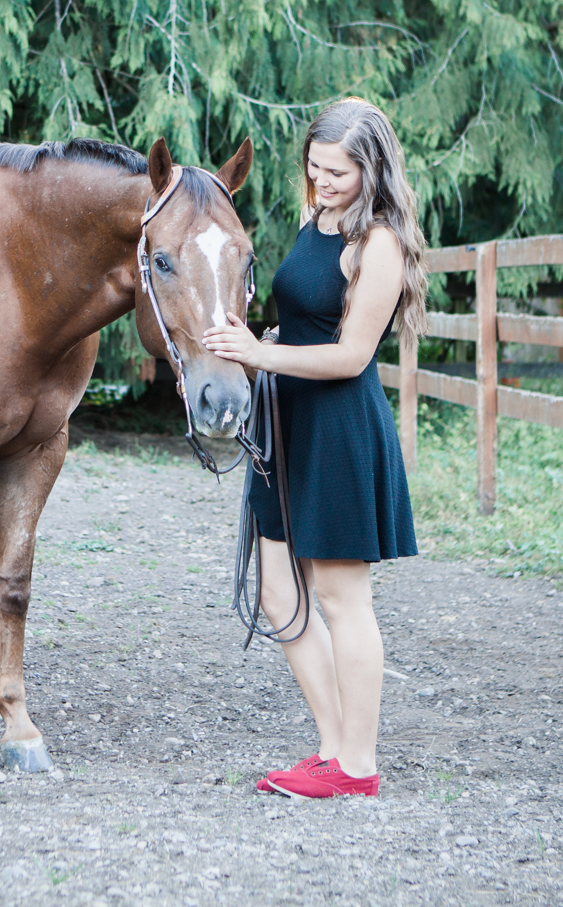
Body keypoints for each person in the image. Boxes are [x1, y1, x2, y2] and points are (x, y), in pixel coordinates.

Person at [201, 97, 428, 799]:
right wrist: (254, 344)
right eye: (315, 166)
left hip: (337, 425)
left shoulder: (380, 243)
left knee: (340, 596)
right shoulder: (316, 217)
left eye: (338, 172)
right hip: (287, 420)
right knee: (279, 594)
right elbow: (303, 318)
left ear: (372, 169)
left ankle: (358, 765)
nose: (323, 182)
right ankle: (333, 748)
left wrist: (259, 355)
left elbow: (352, 355)